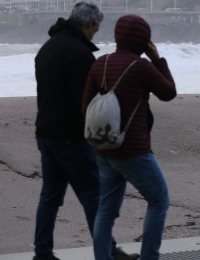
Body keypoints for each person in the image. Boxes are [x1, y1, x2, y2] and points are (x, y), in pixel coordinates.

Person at [33, 1, 137, 260]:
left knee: (50, 196)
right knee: (93, 196)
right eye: (95, 29)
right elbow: (87, 102)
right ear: (89, 24)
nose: (94, 34)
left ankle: (42, 253)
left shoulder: (47, 49)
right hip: (70, 137)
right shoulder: (78, 53)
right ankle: (109, 251)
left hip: (45, 133)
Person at [81, 14, 177, 260]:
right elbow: (168, 92)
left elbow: (86, 109)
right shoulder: (141, 66)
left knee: (106, 207)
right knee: (159, 200)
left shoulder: (99, 63)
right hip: (133, 150)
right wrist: (157, 59)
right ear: (143, 40)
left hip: (103, 149)